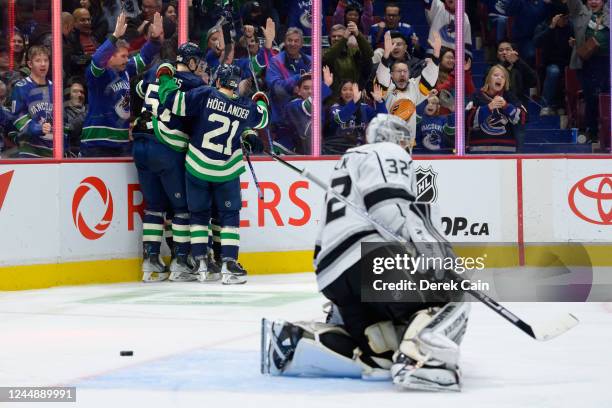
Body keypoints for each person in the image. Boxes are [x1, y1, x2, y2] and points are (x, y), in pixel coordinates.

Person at [261, 114, 469, 391]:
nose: (407, 146)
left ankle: (305, 340)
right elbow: (387, 205)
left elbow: (325, 240)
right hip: (370, 260)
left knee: (382, 353)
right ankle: (424, 360)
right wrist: (431, 253)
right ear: (398, 140)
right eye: (405, 140)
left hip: (333, 276)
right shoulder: (388, 151)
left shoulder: (348, 161)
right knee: (449, 288)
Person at [156, 63, 268, 284]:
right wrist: (260, 98)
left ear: (218, 81)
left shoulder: (205, 94)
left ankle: (200, 263)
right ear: (236, 86)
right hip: (227, 170)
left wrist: (166, 78)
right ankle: (228, 263)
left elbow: (173, 102)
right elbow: (263, 118)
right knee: (229, 216)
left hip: (197, 165)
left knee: (198, 214)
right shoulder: (245, 106)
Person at [80, 12, 162, 157]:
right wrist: (114, 36)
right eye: (123, 56)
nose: (127, 59)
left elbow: (144, 56)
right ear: (110, 56)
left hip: (121, 141)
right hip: (97, 142)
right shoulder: (98, 74)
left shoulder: (126, 70)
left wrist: (154, 40)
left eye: (127, 56)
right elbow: (97, 60)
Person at [376, 32, 442, 144]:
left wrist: (436, 55)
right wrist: (386, 55)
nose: (402, 74)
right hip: (387, 142)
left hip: (407, 143)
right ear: (391, 74)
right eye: (398, 71)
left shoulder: (414, 88)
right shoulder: (386, 88)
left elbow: (429, 78)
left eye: (405, 71)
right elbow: (382, 76)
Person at [466, 64, 527, 153]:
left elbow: (523, 118)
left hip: (506, 150)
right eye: (496, 75)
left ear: (505, 82)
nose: (499, 78)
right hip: (479, 149)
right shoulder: (477, 96)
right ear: (488, 79)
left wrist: (507, 107)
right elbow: (467, 121)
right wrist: (488, 108)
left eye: (503, 77)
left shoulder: (509, 96)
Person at [9, 46, 54, 158]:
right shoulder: (21, 87)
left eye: (46, 60)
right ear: (30, 64)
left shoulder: (54, 87)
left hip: (53, 151)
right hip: (30, 150)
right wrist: (37, 128)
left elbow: (62, 118)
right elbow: (17, 118)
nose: (43, 64)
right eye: (38, 60)